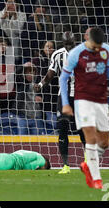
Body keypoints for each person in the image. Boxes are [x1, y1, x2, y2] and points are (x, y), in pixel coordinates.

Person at [60, 27, 109, 189]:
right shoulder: (76, 54)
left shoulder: (106, 49)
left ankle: (88, 165)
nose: (97, 49)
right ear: (87, 39)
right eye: (94, 46)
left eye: (99, 46)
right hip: (83, 101)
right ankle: (96, 179)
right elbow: (63, 78)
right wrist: (65, 103)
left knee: (104, 142)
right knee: (91, 138)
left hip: (101, 100)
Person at [35, 32, 86, 174]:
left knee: (81, 129)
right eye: (66, 44)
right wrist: (40, 84)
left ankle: (88, 161)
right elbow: (50, 74)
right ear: (63, 44)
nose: (69, 47)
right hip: (63, 97)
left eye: (71, 44)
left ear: (75, 41)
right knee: (62, 129)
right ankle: (66, 165)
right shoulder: (57, 55)